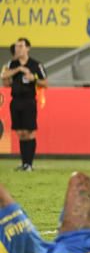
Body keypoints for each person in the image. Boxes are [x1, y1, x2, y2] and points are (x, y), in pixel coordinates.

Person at [2, 39, 46, 171]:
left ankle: (29, 164)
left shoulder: (35, 65)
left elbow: (45, 83)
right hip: (15, 101)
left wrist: (34, 79)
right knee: (20, 132)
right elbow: (4, 77)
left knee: (29, 132)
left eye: (21, 46)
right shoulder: (12, 64)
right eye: (16, 46)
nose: (18, 49)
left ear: (28, 48)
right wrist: (18, 70)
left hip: (29, 101)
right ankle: (24, 163)